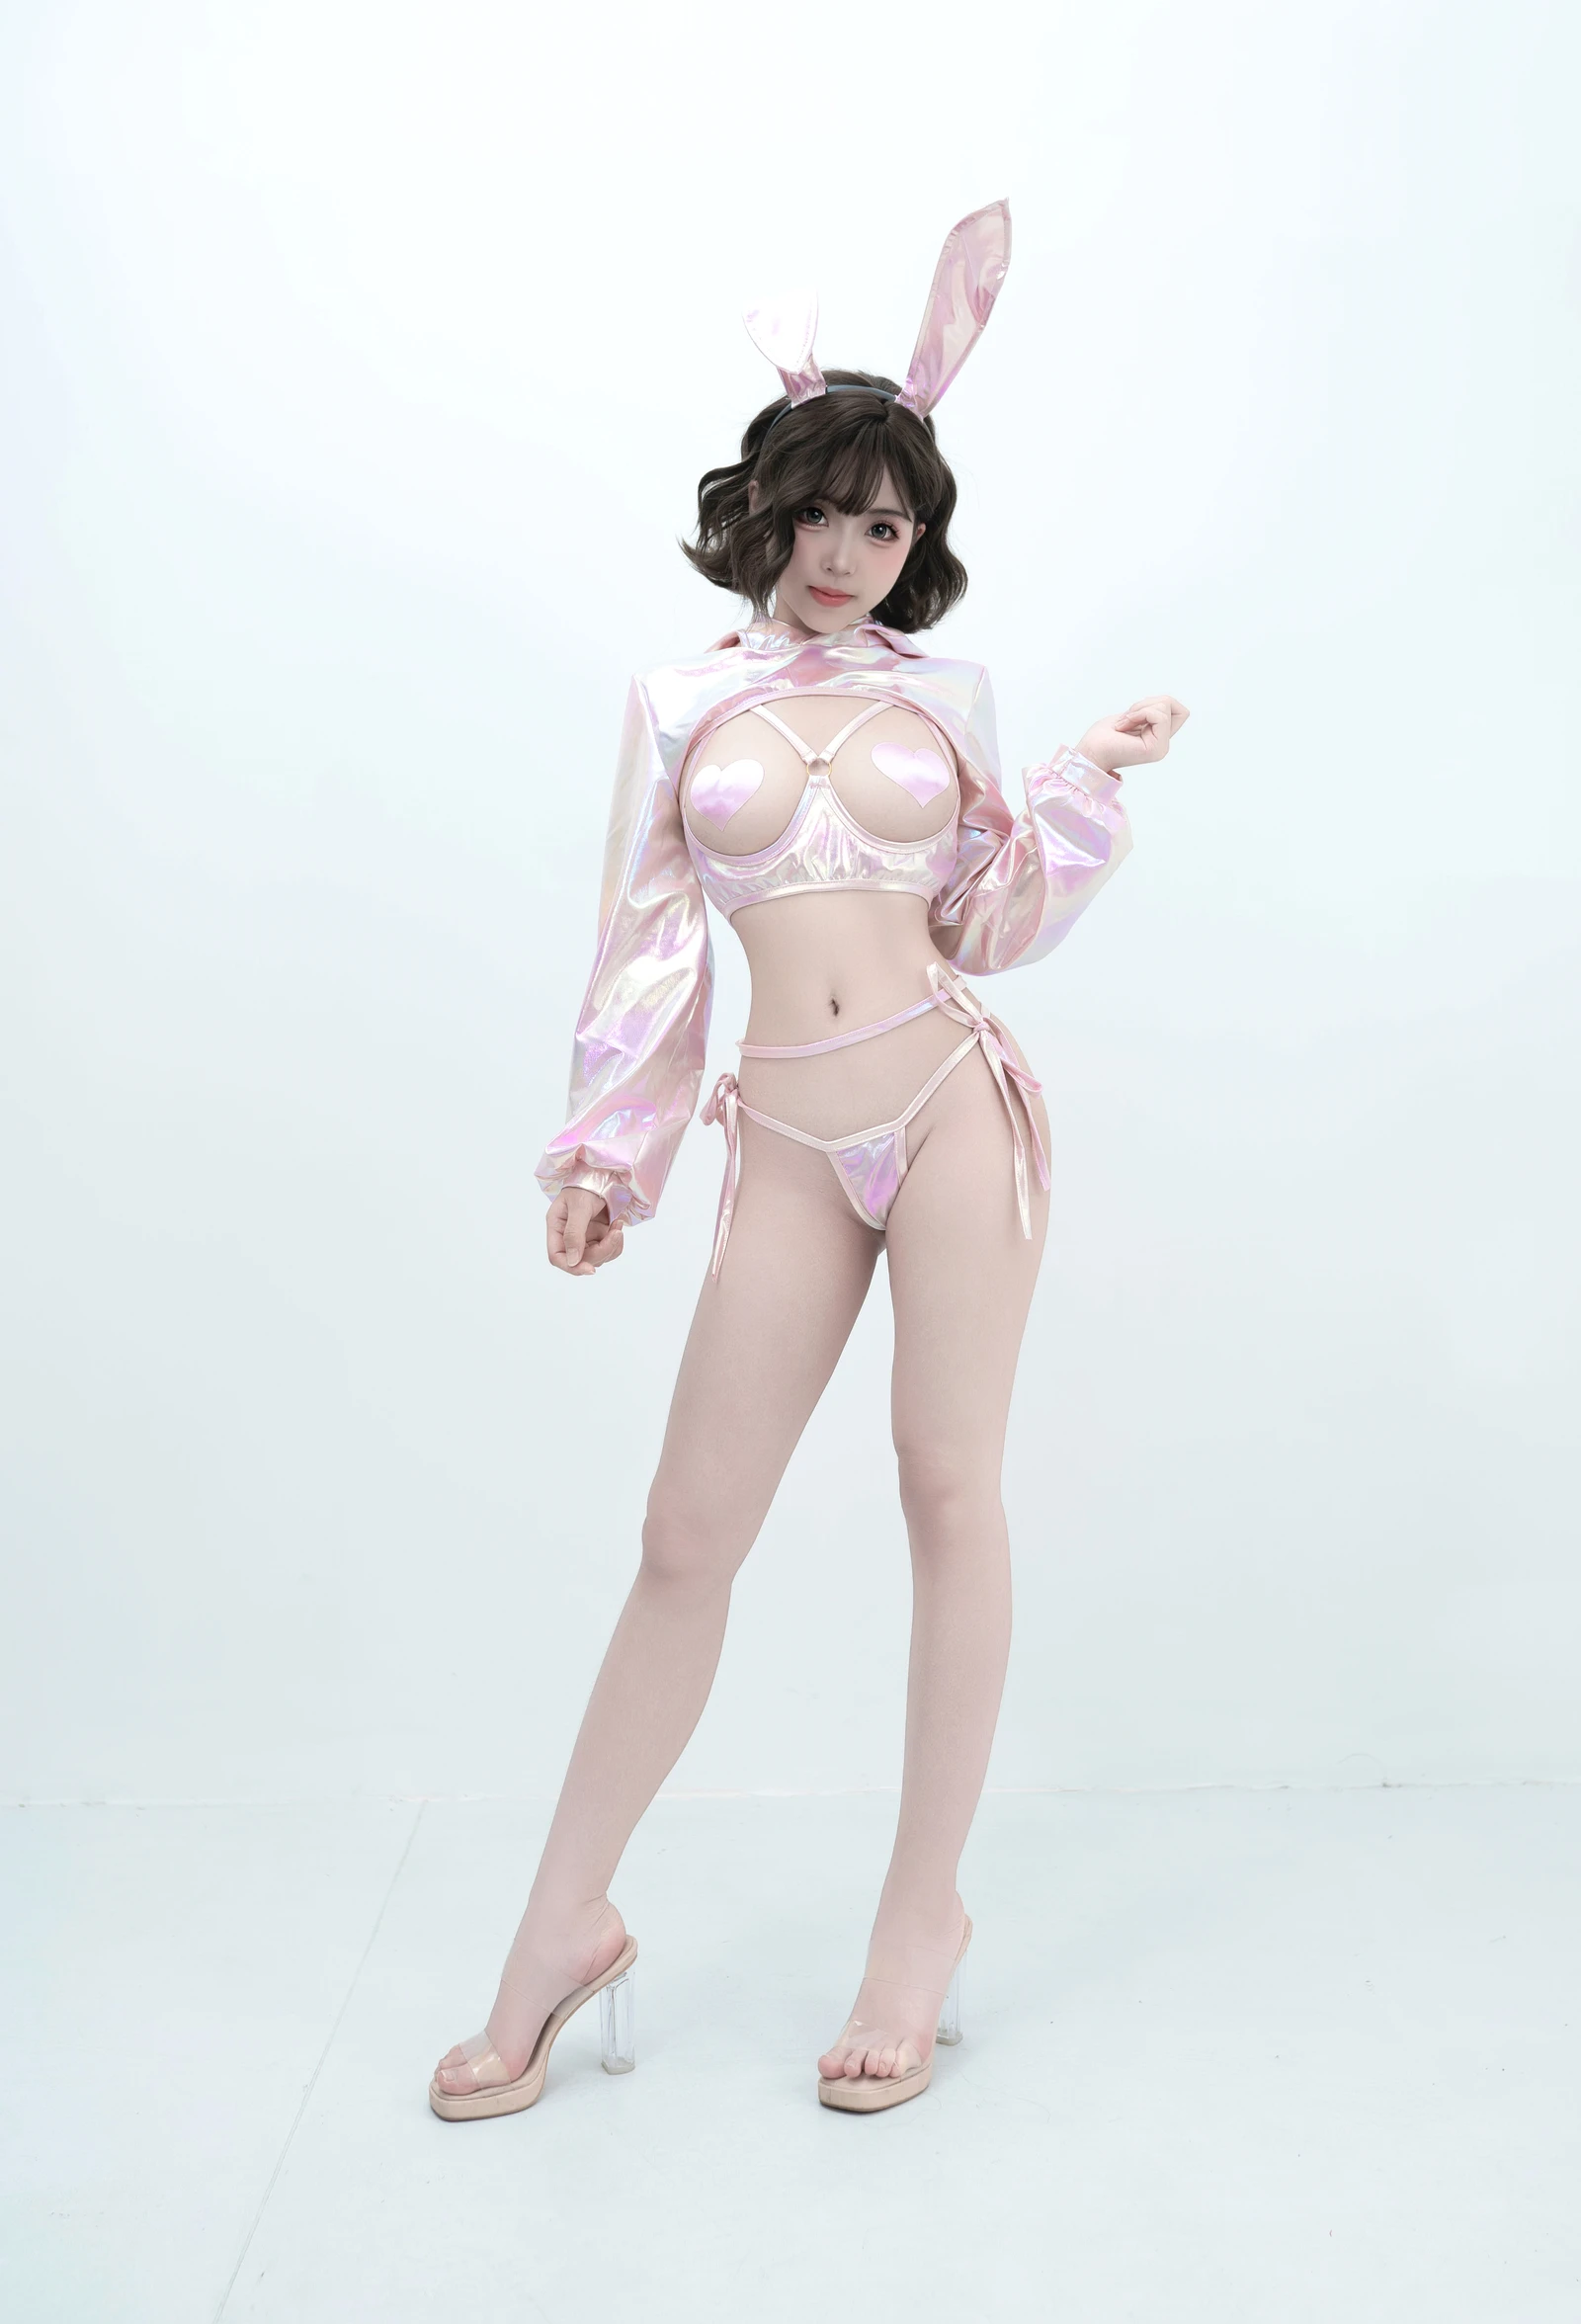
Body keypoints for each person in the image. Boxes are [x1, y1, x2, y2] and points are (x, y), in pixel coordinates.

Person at [431, 203, 1188, 2120]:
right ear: (764, 511)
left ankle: (919, 1922)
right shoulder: (682, 703)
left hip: (946, 1103)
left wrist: (1084, 778)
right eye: (825, 516)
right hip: (779, 1130)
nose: (850, 555)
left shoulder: (949, 698)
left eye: (886, 528)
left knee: (948, 1490)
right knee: (686, 1537)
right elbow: (646, 944)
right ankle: (558, 1928)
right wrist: (604, 1157)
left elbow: (988, 920)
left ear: (916, 545)